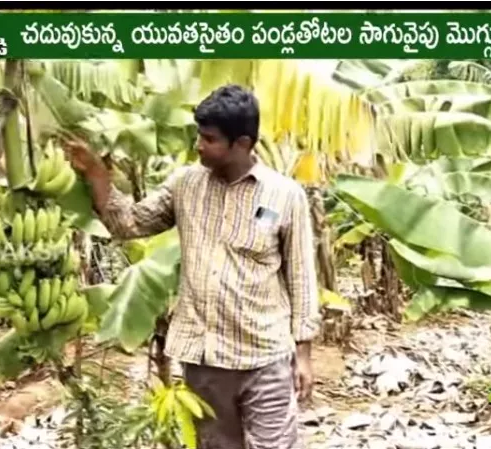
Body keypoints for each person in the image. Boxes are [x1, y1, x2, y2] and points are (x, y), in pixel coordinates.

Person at [62, 84, 321, 449]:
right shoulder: (186, 185)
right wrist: (95, 173)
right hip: (206, 361)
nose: (199, 145)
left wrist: (305, 356)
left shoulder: (284, 195)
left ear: (242, 143)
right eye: (199, 135)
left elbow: (301, 277)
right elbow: (130, 223)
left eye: (210, 139)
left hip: (265, 357)